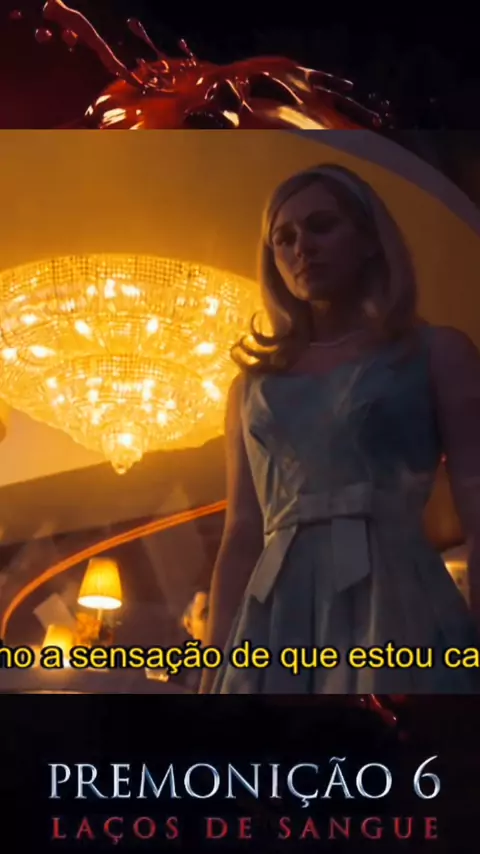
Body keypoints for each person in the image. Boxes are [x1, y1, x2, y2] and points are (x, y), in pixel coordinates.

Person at [199, 163, 480, 695]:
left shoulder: (438, 352)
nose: (301, 248)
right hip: (274, 614)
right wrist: (212, 670)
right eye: (284, 238)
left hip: (396, 599)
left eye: (322, 226)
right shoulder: (251, 387)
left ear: (370, 239)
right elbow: (241, 534)